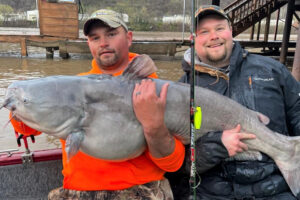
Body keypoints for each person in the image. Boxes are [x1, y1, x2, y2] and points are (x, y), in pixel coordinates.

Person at [10, 9, 185, 200]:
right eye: (95, 37)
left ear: (129, 37)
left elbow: (173, 164)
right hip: (77, 192)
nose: (103, 43)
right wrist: (15, 107)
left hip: (141, 191)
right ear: (89, 43)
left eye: (111, 34)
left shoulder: (158, 92)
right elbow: (27, 130)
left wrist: (155, 127)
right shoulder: (68, 88)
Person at [166, 5, 300, 200]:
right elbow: (178, 164)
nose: (214, 36)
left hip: (277, 189)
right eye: (204, 32)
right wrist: (217, 146)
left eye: (220, 28)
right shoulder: (180, 90)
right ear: (193, 40)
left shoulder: (272, 70)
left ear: (230, 31)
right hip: (211, 193)